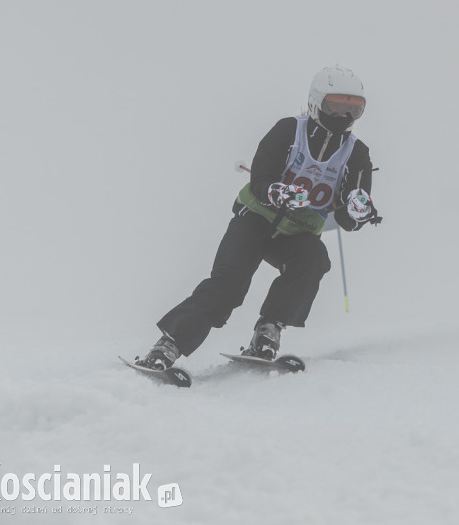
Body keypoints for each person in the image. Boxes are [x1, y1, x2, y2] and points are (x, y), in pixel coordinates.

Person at [136, 65, 381, 370]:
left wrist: (358, 212)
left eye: (354, 110)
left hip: (299, 233)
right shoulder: (289, 131)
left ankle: (269, 330)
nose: (344, 117)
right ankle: (168, 345)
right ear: (317, 101)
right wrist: (277, 193)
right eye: (337, 106)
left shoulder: (356, 154)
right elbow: (260, 180)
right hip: (255, 220)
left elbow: (348, 216)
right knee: (229, 284)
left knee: (314, 258)